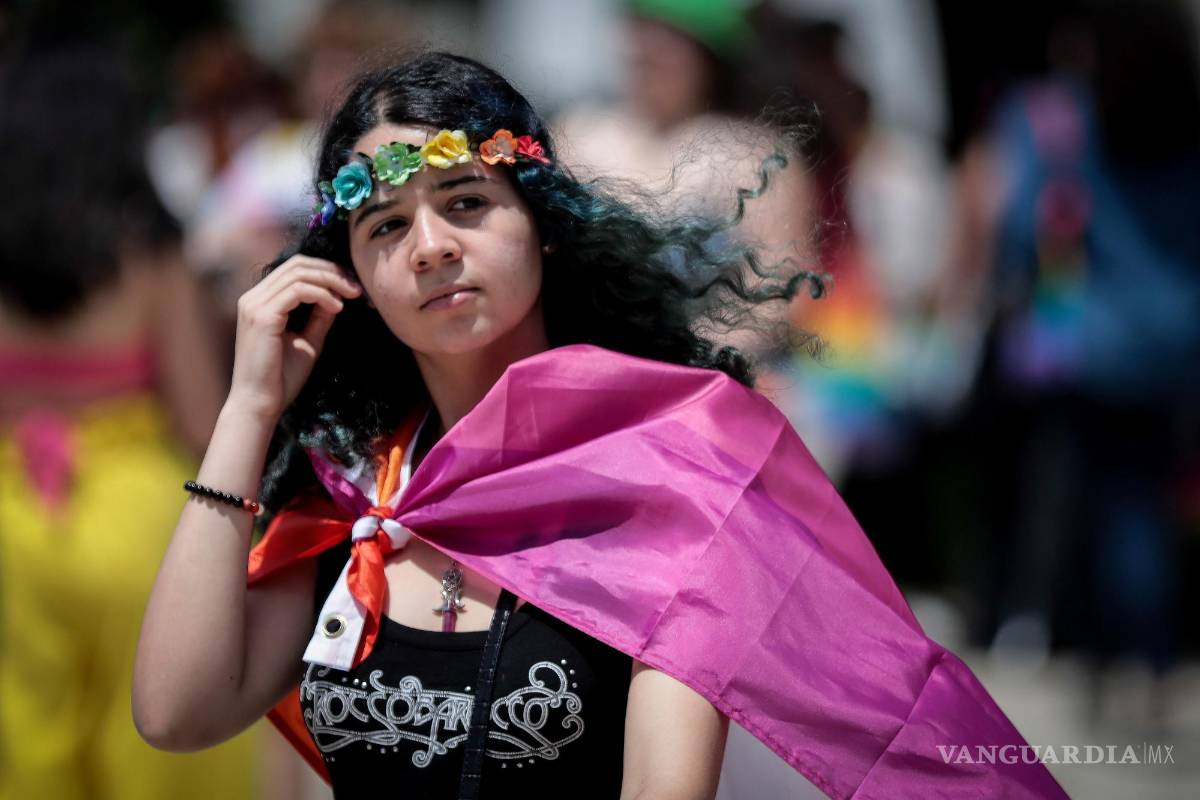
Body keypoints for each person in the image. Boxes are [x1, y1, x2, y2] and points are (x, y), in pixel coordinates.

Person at [134, 52, 1065, 798]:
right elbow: (176, 713)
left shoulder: (667, 477)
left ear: (539, 226)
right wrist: (248, 409)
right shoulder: (354, 497)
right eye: (383, 227)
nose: (430, 247)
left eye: (466, 203)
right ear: (356, 282)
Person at [0, 45, 255, 799]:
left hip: (9, 522)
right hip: (136, 520)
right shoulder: (148, 245)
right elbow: (204, 418)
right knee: (158, 760)